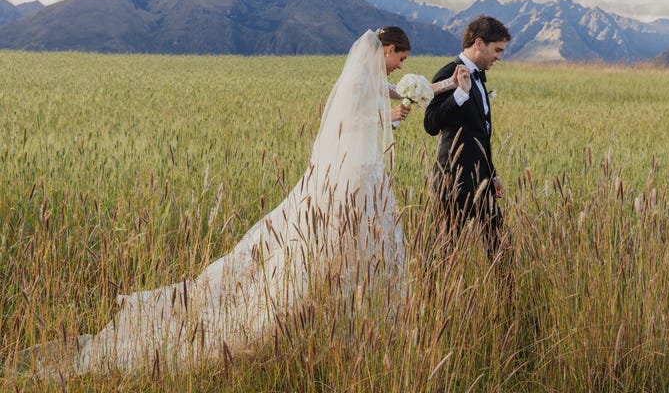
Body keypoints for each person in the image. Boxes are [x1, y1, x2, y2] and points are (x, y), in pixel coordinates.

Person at [26, 28, 413, 376]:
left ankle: (345, 315)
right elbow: (349, 123)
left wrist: (429, 89)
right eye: (401, 60)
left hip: (360, 173)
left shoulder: (369, 77)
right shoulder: (360, 80)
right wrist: (388, 116)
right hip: (349, 177)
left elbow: (388, 95)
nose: (399, 67)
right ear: (388, 49)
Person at [423, 15, 511, 256]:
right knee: (442, 251)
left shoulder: (480, 78)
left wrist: (492, 174)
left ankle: (507, 294)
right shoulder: (448, 73)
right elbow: (430, 124)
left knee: (501, 247)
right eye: (497, 50)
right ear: (479, 43)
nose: (499, 57)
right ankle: (431, 294)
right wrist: (459, 94)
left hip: (482, 180)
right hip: (454, 179)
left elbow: (481, 134)